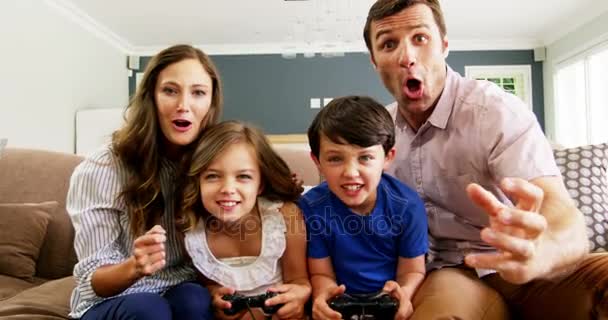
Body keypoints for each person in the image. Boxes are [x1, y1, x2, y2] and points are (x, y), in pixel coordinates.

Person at [363, 0, 608, 319]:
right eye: (388, 44)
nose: (407, 57)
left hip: (526, 264)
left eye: (420, 38)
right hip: (449, 272)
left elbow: (562, 213)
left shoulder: (496, 111)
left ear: (444, 45)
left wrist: (542, 250)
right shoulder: (377, 134)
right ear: (374, 61)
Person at [66, 44, 223, 320]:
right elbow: (93, 281)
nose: (183, 105)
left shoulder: (212, 164)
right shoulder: (103, 167)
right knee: (149, 309)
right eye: (170, 91)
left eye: (198, 93)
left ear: (210, 103)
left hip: (176, 288)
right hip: (112, 300)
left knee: (196, 299)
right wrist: (134, 267)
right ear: (151, 96)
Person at [300, 96, 428, 320]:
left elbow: (412, 270)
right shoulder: (311, 207)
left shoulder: (407, 205)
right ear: (317, 161)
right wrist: (323, 294)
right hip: (340, 305)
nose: (350, 172)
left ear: (388, 158)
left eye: (366, 157)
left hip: (390, 302)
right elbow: (321, 272)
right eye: (335, 159)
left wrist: (404, 293)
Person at [178, 121, 311, 320]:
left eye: (243, 177)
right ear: (197, 180)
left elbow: (299, 280)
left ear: (260, 184)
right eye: (213, 176)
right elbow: (207, 285)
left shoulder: (285, 215)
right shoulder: (191, 227)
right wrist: (214, 295)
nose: (228, 188)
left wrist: (299, 296)